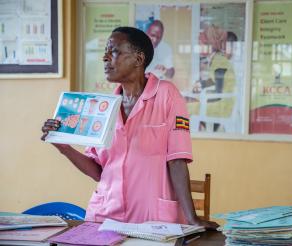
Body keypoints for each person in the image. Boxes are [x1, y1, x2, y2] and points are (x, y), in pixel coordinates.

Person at [41, 26, 218, 229]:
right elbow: (99, 171)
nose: (105, 58)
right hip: (105, 217)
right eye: (105, 52)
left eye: (114, 51)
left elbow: (177, 161)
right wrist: (64, 147)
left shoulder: (167, 96)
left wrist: (192, 218)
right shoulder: (104, 107)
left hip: (152, 221)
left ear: (138, 59)